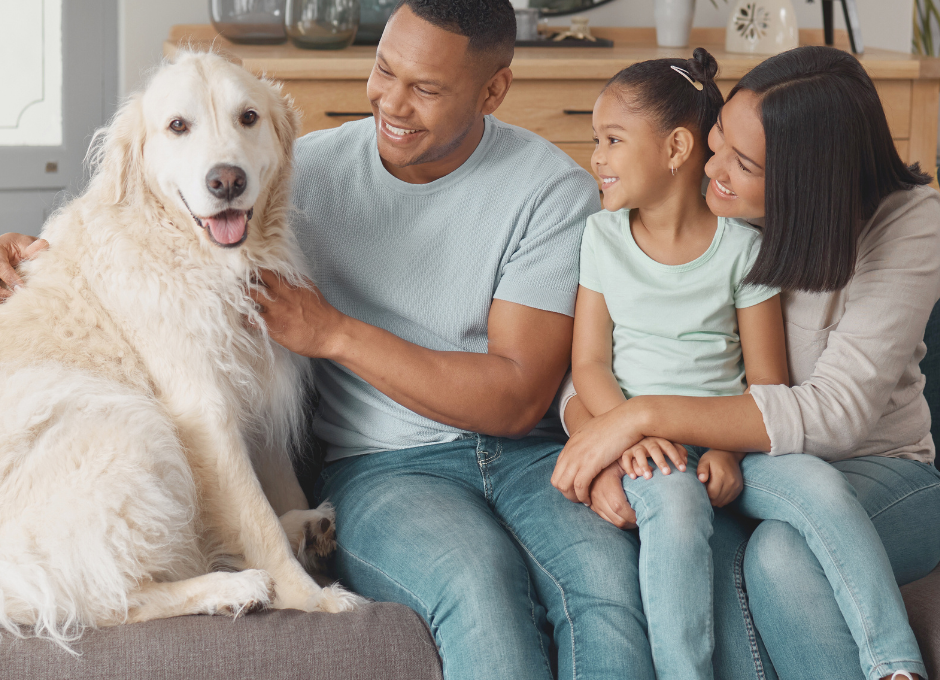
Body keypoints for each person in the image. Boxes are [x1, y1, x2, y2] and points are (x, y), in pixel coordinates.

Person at [0, 1, 661, 679]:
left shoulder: (547, 190)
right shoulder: (294, 170)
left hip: (524, 454)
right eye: (384, 71)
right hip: (385, 467)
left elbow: (517, 398)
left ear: (493, 90)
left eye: (426, 88)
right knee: (479, 586)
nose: (393, 102)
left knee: (607, 587)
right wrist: (21, 252)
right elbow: (128, 223)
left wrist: (335, 333)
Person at [553, 45, 940, 680]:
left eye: (745, 163)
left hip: (877, 472)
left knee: (781, 557)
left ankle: (894, 669)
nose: (712, 168)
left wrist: (639, 418)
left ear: (806, 181)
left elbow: (835, 415)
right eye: (718, 140)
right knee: (712, 557)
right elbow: (597, 357)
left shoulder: (905, 225)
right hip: (727, 465)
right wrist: (605, 442)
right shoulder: (666, 225)